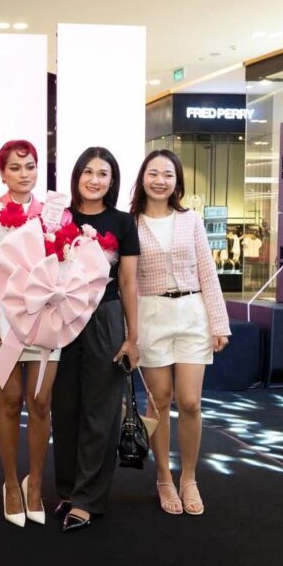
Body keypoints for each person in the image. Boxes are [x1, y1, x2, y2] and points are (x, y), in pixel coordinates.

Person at [129, 149, 231, 516]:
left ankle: (189, 477)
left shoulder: (191, 220)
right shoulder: (131, 223)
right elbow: (125, 281)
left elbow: (207, 272)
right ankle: (163, 478)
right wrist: (128, 333)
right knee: (158, 400)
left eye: (168, 174)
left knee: (189, 401)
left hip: (192, 313)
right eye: (153, 173)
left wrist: (219, 323)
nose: (160, 180)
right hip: (150, 314)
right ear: (143, 178)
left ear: (177, 181)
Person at [51, 146, 140, 533]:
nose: (94, 179)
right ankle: (68, 490)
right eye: (88, 171)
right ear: (76, 176)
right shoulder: (58, 216)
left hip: (104, 317)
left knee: (100, 411)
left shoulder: (122, 222)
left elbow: (128, 281)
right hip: (61, 316)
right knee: (64, 408)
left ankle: (88, 499)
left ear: (112, 181)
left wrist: (132, 337)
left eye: (103, 173)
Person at [0, 140, 68, 528]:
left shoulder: (55, 214)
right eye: (14, 167)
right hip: (0, 319)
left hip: (45, 319)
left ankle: (35, 485)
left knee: (41, 401)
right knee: (10, 400)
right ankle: (12, 484)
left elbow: (67, 264)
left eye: (29, 166)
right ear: (2, 173)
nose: (23, 173)